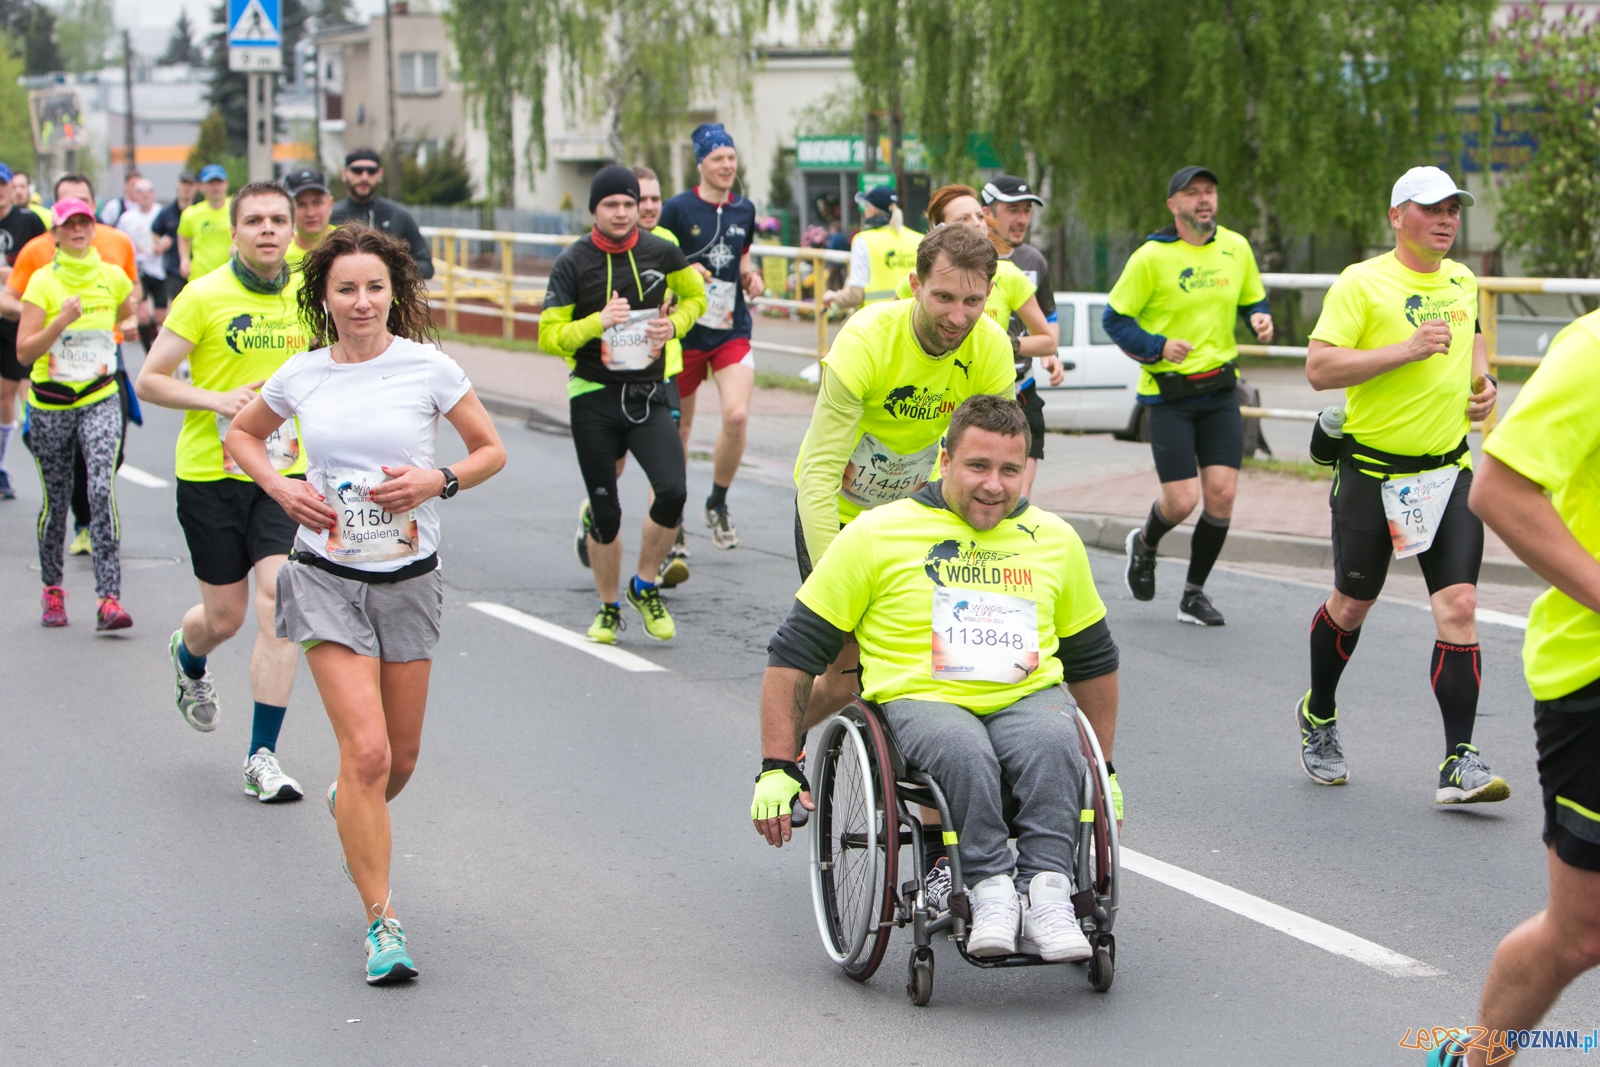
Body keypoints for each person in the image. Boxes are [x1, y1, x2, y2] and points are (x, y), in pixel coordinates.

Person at [225, 224, 505, 986]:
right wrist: (281, 487)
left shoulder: (429, 367)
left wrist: (437, 480)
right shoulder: (304, 374)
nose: (361, 301)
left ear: (394, 292)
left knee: (398, 760)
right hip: (324, 576)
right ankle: (383, 921)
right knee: (369, 753)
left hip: (408, 579)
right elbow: (244, 435)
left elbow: (490, 449)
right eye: (345, 288)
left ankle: (349, 801)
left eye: (374, 287)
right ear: (324, 296)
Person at [755, 394, 1121, 960]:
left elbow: (1093, 659)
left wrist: (1106, 769)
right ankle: (990, 888)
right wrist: (777, 764)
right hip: (922, 699)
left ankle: (1047, 892)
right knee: (962, 749)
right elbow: (796, 649)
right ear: (945, 461)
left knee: (1055, 741)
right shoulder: (877, 534)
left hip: (1025, 695)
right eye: (978, 466)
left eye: (1009, 470)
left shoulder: (1054, 539)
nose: (994, 485)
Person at [1295, 165, 1506, 803]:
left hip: (1448, 472)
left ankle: (1458, 762)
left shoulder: (1462, 279)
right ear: (1396, 216)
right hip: (1371, 474)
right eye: (1431, 209)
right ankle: (1319, 714)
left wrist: (1484, 386)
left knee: (1459, 607)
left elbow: (1472, 340)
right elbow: (1319, 368)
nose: (1446, 220)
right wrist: (1405, 351)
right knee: (1351, 606)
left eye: (1453, 209)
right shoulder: (1361, 282)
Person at [1436, 309, 1600, 1067]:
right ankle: (1479, 1058)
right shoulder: (1593, 350)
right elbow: (1499, 490)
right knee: (1582, 933)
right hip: (1592, 675)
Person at [792, 224, 1020, 739]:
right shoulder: (866, 340)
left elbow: (996, 468)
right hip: (841, 510)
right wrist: (834, 584)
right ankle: (784, 748)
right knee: (847, 672)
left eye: (973, 301)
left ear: (989, 293)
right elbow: (819, 473)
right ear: (915, 286)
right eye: (943, 297)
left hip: (915, 514)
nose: (958, 317)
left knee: (949, 655)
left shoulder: (990, 348)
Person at [136, 182, 312, 802]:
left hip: (285, 475)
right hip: (211, 473)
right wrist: (215, 399)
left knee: (277, 599)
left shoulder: (311, 295)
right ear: (233, 231)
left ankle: (262, 757)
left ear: (292, 230)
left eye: (278, 220)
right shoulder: (203, 295)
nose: (268, 230)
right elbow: (150, 380)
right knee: (224, 618)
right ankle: (189, 656)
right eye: (255, 220)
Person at [1102, 165, 1274, 627]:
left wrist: (1259, 317)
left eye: (1209, 191)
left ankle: (1193, 595)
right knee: (1181, 502)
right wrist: (1158, 347)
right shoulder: (1150, 258)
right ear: (1173, 205)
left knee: (1222, 495)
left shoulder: (1236, 247)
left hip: (1220, 392)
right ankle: (1145, 542)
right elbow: (1115, 319)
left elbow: (1252, 299)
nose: (1203, 199)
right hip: (1169, 398)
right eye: (1192, 192)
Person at [539, 165, 705, 644]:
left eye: (629, 204)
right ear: (595, 209)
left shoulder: (661, 251)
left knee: (672, 490)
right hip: (593, 396)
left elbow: (696, 297)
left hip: (648, 393)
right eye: (610, 204)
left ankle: (644, 586)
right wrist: (599, 321)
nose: (621, 212)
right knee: (605, 511)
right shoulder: (573, 262)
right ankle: (608, 607)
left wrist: (675, 326)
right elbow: (548, 336)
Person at [16, 197, 137, 628]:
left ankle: (109, 598)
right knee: (57, 500)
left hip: (99, 396)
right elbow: (24, 351)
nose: (79, 230)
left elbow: (126, 314)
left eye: (85, 222)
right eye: (69, 224)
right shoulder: (43, 282)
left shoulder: (112, 276)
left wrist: (126, 328)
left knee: (101, 490)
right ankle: (53, 589)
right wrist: (59, 323)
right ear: (56, 233)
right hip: (51, 403)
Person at [2, 174, 139, 551]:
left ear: (93, 208)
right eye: (67, 208)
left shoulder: (118, 243)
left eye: (83, 206)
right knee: (69, 459)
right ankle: (84, 521)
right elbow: (9, 299)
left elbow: (131, 295)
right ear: (55, 219)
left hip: (105, 363)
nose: (76, 223)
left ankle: (94, 517)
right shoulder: (36, 251)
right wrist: (44, 317)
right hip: (54, 371)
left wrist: (129, 323)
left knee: (110, 452)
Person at [571, 165, 694, 589]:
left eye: (652, 199)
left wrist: (676, 321)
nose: (647, 208)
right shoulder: (587, 256)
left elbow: (692, 294)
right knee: (616, 465)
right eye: (639, 200)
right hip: (606, 381)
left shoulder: (668, 245)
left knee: (669, 468)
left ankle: (662, 552)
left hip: (662, 370)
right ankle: (596, 513)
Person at [657, 124, 764, 550]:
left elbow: (742, 257)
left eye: (731, 158)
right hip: (685, 331)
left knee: (736, 416)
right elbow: (657, 258)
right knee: (679, 430)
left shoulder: (744, 209)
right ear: (701, 162)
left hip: (730, 329)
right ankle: (674, 513)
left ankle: (717, 502)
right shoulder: (677, 209)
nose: (726, 165)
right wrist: (685, 272)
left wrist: (751, 277)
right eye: (717, 158)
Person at [893, 185, 1064, 433]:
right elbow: (896, 338)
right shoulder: (920, 279)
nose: (976, 224)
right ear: (940, 229)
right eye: (963, 219)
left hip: (993, 398)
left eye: (980, 216)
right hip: (930, 402)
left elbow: (1048, 341)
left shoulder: (1010, 276)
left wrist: (1007, 344)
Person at [982, 176, 1063, 497]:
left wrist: (1049, 353)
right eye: (1013, 210)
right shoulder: (969, 258)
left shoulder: (1033, 261)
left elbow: (1049, 321)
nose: (1022, 220)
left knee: (1018, 496)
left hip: (1023, 388)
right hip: (977, 390)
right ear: (988, 212)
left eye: (1027, 210)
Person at [0, 160, 47, 500]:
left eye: (3, 184)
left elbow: (43, 264)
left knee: (7, 394)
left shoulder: (28, 221)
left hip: (12, 317)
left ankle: (1, 467)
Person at [330, 149, 433, 279]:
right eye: (357, 170)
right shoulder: (330, 216)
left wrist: (389, 268)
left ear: (380, 174)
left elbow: (426, 267)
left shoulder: (398, 215)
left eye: (371, 171)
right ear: (344, 173)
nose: (364, 177)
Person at [822, 184, 923, 311]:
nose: (864, 211)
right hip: (911, 317)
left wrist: (834, 297)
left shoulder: (863, 241)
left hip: (876, 318)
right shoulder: (919, 239)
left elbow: (855, 296)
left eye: (866, 206)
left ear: (872, 210)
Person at [115, 177, 167, 350]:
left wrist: (163, 245)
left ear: (153, 194)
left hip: (159, 268)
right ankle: (149, 352)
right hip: (138, 268)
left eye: (148, 191)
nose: (145, 195)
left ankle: (160, 350)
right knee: (143, 314)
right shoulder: (127, 218)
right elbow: (119, 241)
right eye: (140, 191)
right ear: (134, 195)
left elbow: (173, 234)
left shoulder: (161, 212)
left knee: (160, 316)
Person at [178, 164, 232, 280]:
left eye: (219, 182)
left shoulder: (236, 209)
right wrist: (184, 259)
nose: (215, 187)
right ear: (201, 186)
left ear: (226, 184)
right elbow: (183, 235)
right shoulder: (191, 214)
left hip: (230, 275)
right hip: (200, 276)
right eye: (210, 183)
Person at [151, 171, 197, 304]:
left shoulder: (201, 210)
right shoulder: (167, 212)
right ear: (177, 185)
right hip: (174, 268)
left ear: (196, 187)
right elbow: (154, 232)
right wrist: (159, 244)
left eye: (190, 184)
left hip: (197, 267)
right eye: (184, 184)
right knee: (177, 304)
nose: (187, 188)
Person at [283, 167, 336, 265]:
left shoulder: (350, 246)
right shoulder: (281, 256)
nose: (310, 213)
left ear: (330, 204)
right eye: (301, 204)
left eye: (317, 203)